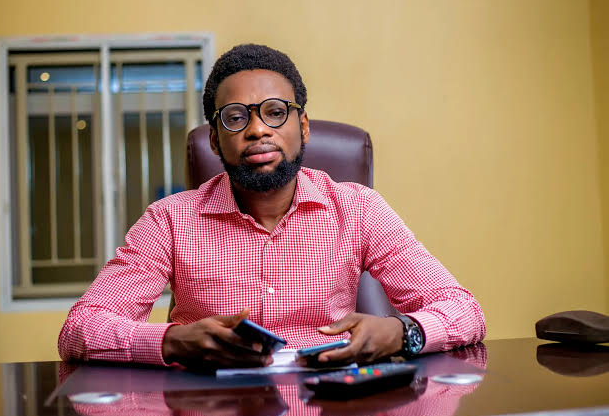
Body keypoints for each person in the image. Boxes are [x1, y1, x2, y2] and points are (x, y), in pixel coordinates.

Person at [58, 44, 486, 369]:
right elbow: (80, 329)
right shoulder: (168, 220)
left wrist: (402, 332)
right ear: (213, 139)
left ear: (302, 127)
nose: (258, 129)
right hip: (212, 404)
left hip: (331, 404)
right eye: (235, 117)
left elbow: (465, 311)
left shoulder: (358, 209)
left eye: (276, 112)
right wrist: (170, 341)